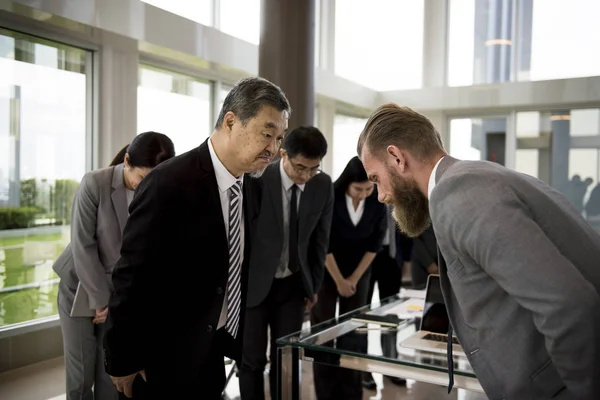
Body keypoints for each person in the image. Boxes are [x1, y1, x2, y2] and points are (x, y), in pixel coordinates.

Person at [357, 103, 600, 400]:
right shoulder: (475, 177)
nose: (381, 195)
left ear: (396, 157)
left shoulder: (460, 194)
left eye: (376, 179)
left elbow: (569, 305)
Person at [103, 77, 291, 400]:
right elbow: (131, 275)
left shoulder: (252, 186)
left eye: (279, 138)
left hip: (213, 348)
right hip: (161, 356)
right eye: (267, 134)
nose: (274, 149)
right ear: (231, 121)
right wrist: (122, 357)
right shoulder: (169, 183)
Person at [53, 132, 175, 400]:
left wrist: (118, 305)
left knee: (113, 374)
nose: (147, 186)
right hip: (81, 287)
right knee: (81, 376)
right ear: (127, 161)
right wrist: (101, 302)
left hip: (119, 296)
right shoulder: (95, 183)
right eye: (142, 178)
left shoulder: (160, 191)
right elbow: (83, 245)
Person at [239, 126, 333, 400]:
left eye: (313, 169)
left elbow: (320, 240)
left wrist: (313, 286)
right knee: (252, 361)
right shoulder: (256, 178)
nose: (306, 176)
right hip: (254, 285)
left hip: (293, 285)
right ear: (283, 155)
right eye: (301, 167)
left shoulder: (322, 184)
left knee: (288, 360)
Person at [311, 156, 386, 400]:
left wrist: (353, 278)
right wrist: (339, 280)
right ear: (347, 183)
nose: (364, 193)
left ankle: (352, 392)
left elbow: (376, 244)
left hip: (359, 272)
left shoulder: (377, 200)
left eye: (368, 188)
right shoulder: (331, 196)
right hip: (327, 270)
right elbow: (323, 242)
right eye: (358, 188)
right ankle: (326, 392)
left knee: (354, 332)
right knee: (323, 331)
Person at [362, 204, 412, 389]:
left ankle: (391, 362)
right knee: (363, 313)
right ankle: (362, 367)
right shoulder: (368, 190)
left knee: (391, 313)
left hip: (393, 258)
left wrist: (406, 258)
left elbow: (408, 227)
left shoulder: (398, 189)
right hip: (366, 259)